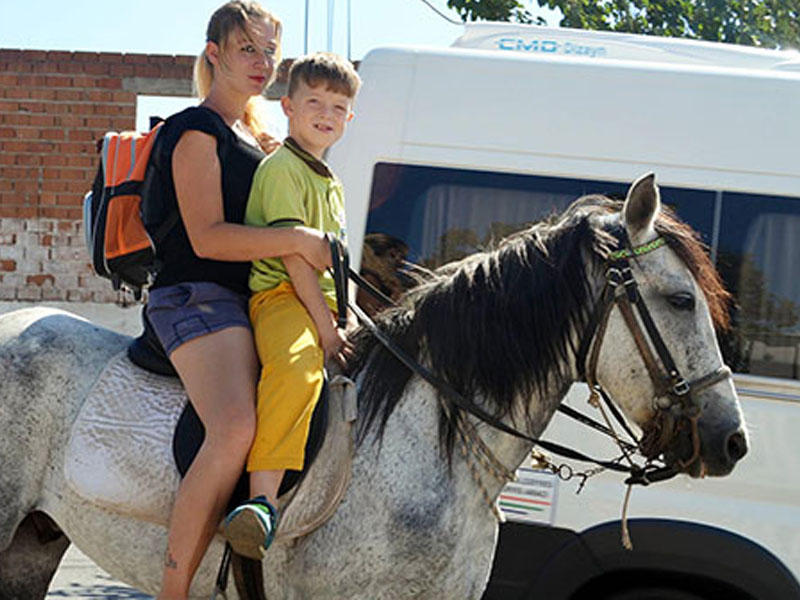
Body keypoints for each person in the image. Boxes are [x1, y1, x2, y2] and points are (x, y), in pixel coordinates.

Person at [142, 3, 331, 598]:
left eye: (270, 51)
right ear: (214, 53)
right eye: (247, 49)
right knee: (233, 427)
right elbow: (206, 237)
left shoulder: (260, 137)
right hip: (194, 296)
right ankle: (173, 590)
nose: (262, 63)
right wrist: (297, 240)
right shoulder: (195, 130)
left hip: (252, 299)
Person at [222, 52, 362, 560]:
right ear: (288, 106)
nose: (326, 114)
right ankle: (261, 500)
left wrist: (344, 318)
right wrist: (327, 332)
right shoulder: (283, 168)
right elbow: (294, 257)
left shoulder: (331, 181)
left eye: (338, 106)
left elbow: (333, 263)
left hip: (322, 302)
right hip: (282, 297)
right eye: (314, 102)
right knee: (300, 368)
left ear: (351, 118)